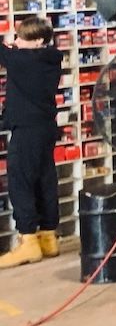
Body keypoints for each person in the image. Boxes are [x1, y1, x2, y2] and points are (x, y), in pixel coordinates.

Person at [0, 17, 65, 269]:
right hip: (45, 127)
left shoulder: (25, 62)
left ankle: (28, 241)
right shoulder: (50, 59)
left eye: (21, 38)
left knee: (20, 181)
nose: (16, 42)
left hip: (27, 130)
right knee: (45, 178)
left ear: (38, 41)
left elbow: (4, 54)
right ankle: (48, 236)